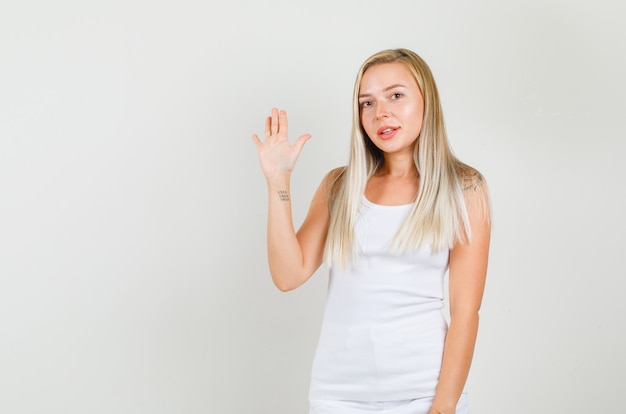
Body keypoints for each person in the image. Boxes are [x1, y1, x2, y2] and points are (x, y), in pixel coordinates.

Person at [252, 48, 491, 414]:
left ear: (427, 100)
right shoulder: (340, 185)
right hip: (338, 394)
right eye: (367, 102)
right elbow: (288, 275)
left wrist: (443, 406)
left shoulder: (465, 187)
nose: (381, 113)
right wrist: (277, 181)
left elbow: (465, 310)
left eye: (396, 95)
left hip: (423, 392)